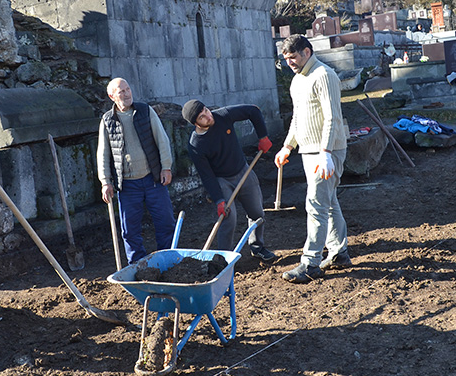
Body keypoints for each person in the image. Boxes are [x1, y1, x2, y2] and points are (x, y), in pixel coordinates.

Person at [275, 35, 352, 283]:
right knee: (328, 203)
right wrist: (288, 146)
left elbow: (332, 117)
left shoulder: (324, 75)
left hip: (327, 152)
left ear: (307, 52)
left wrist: (326, 152)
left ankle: (310, 263)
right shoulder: (298, 80)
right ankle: (339, 252)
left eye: (293, 57)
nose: (290, 63)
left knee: (315, 205)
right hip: (309, 151)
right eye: (286, 59)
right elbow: (298, 117)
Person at [182, 100, 276, 260]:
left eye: (206, 110)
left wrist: (263, 136)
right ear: (196, 123)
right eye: (202, 117)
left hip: (243, 170)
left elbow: (253, 110)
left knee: (257, 213)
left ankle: (257, 247)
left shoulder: (222, 115)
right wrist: (219, 200)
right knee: (228, 218)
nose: (208, 116)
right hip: (222, 180)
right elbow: (206, 175)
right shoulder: (196, 145)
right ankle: (224, 258)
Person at [97, 78, 176, 264]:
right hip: (127, 185)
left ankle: (169, 261)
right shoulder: (107, 120)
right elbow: (103, 153)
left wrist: (166, 167)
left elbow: (162, 140)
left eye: (128, 89)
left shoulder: (145, 111)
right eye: (121, 91)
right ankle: (138, 266)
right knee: (130, 230)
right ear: (112, 96)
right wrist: (105, 181)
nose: (127, 94)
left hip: (153, 179)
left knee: (165, 222)